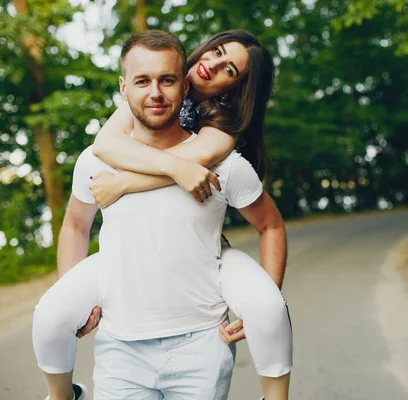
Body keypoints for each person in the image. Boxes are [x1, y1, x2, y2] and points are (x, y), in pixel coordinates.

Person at [32, 30, 292, 400]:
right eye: (215, 52)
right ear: (125, 86)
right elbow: (94, 174)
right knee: (50, 314)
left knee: (268, 305)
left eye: (228, 69)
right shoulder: (112, 137)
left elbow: (257, 212)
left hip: (203, 312)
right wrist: (79, 302)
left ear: (231, 89)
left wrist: (124, 184)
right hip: (122, 347)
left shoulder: (221, 136)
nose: (212, 65)